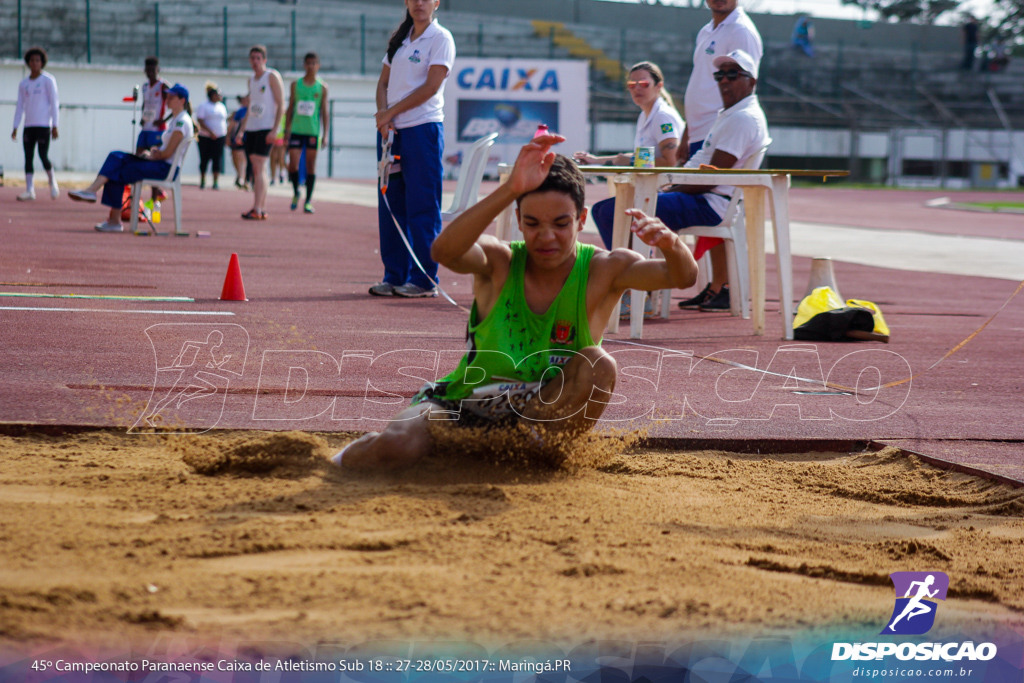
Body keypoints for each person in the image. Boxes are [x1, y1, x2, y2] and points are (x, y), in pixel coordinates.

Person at [331, 134, 699, 471]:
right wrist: (510, 190)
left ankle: (539, 454)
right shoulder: (500, 261)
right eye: (533, 223)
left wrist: (671, 243)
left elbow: (682, 277)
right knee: (399, 448)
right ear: (518, 221)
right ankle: (338, 461)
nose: (547, 236)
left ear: (581, 220)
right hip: (460, 405)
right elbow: (443, 251)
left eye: (560, 223)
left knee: (600, 364)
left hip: (539, 414)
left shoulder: (605, 269)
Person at [591, 50, 769, 312]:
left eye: (733, 74)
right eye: (720, 75)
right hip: (699, 196)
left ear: (751, 81)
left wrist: (669, 187)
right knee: (611, 209)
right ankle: (638, 288)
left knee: (611, 211)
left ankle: (635, 290)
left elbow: (710, 177)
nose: (724, 81)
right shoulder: (731, 114)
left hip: (707, 203)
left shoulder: (742, 118)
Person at [369, 0, 456, 298]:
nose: (419, 3)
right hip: (392, 134)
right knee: (391, 204)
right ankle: (394, 275)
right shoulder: (400, 41)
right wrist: (384, 119)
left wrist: (390, 114)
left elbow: (431, 87)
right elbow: (382, 84)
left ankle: (424, 279)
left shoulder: (441, 38)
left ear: (436, 3)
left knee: (422, 205)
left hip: (423, 130)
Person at [678, 0, 762, 310]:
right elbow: (700, 83)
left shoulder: (740, 31)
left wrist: (722, 122)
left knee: (714, 203)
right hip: (701, 127)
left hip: (720, 127)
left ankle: (725, 285)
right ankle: (715, 285)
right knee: (706, 209)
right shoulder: (706, 30)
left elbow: (743, 78)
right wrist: (688, 129)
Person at [67, 84, 194, 233]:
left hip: (163, 168)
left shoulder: (181, 122)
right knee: (115, 156)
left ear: (182, 100)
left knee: (118, 169)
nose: (168, 99)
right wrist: (154, 152)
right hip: (159, 164)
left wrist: (152, 155)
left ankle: (110, 214)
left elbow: (167, 154)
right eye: (168, 96)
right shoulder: (175, 120)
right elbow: (165, 151)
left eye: (172, 97)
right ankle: (93, 193)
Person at [574, 61, 683, 175]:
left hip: (665, 188)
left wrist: (632, 161)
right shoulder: (645, 115)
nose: (637, 88)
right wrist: (595, 160)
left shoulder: (662, 116)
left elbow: (671, 162)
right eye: (632, 84)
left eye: (644, 83)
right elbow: (642, 158)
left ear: (659, 86)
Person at [233, 45, 284, 220]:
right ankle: (260, 208)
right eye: (252, 58)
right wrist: (241, 130)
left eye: (258, 58)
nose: (255, 61)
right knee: (255, 167)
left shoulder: (272, 76)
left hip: (266, 128)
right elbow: (250, 107)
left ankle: (258, 207)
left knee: (259, 166)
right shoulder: (251, 80)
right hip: (252, 128)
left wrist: (275, 129)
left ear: (264, 60)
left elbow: (281, 104)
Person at [11, 47, 60, 201]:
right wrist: (15, 126)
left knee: (43, 155)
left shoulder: (48, 80)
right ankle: (29, 190)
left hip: (43, 125)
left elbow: (54, 103)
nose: (34, 63)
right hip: (28, 126)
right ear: (28, 62)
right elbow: (20, 106)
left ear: (42, 62)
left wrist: (55, 125)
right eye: (32, 60)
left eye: (37, 60)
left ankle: (52, 182)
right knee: (28, 157)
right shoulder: (23, 84)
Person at [284, 51, 330, 213]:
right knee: (293, 164)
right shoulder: (295, 84)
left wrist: (325, 135)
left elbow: (324, 111)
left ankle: (308, 200)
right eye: (308, 63)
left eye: (313, 63)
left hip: (312, 131)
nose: (310, 66)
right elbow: (290, 107)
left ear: (318, 65)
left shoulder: (322, 87)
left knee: (311, 166)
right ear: (304, 65)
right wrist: (286, 129)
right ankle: (296, 191)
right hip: (296, 130)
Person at [137, 57, 170, 202]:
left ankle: (155, 197)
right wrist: (142, 117)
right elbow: (145, 104)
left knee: (153, 161)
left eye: (153, 70)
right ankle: (141, 194)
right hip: (145, 128)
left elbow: (175, 103)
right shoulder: (144, 87)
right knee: (138, 157)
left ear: (158, 70)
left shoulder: (163, 86)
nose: (150, 73)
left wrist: (164, 119)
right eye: (148, 70)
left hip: (158, 131)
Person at [195, 82, 228, 190]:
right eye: (218, 94)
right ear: (213, 95)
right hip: (205, 137)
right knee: (204, 158)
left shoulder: (222, 106)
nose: (220, 96)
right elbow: (200, 120)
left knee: (217, 159)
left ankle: (215, 182)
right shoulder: (204, 105)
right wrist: (210, 132)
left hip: (219, 137)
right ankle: (203, 180)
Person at [228, 94, 250, 189]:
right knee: (239, 158)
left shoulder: (255, 111)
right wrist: (228, 136)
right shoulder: (241, 111)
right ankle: (241, 176)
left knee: (248, 160)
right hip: (240, 137)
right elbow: (232, 124)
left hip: (251, 137)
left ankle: (244, 178)